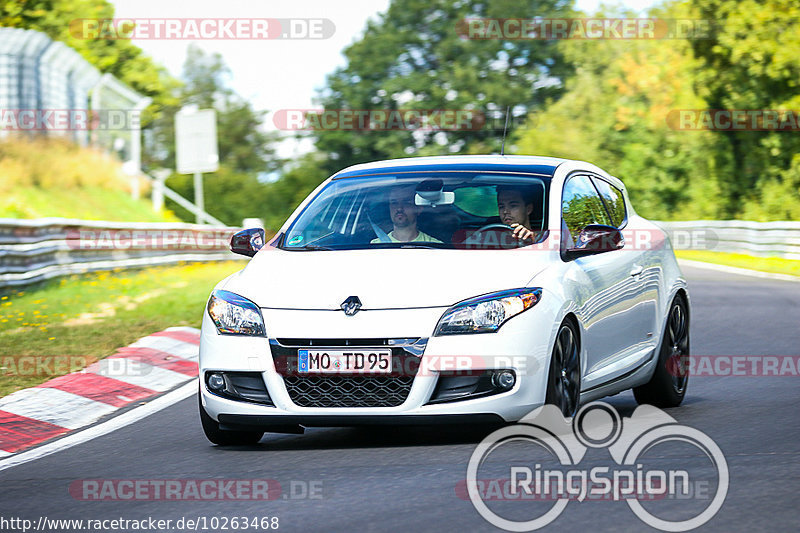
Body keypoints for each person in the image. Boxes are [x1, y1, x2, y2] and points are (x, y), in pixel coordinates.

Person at [371, 186, 442, 243]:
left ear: (419, 208)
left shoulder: (435, 246)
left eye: (406, 202)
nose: (399, 208)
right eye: (394, 203)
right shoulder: (374, 246)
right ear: (389, 208)